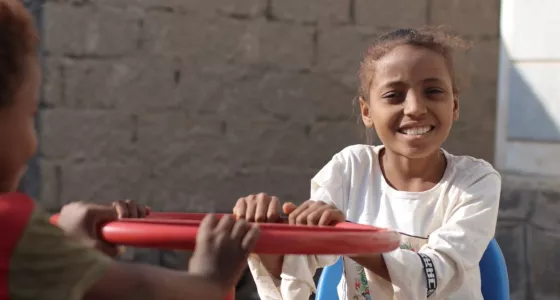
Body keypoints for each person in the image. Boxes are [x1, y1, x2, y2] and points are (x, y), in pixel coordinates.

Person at [0, 0, 259, 299]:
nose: (34, 143)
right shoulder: (11, 230)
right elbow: (145, 291)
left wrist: (69, 252)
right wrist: (214, 277)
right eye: (30, 114)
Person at [233, 27, 501, 300]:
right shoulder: (349, 169)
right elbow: (297, 269)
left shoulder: (476, 181)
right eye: (394, 95)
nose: (415, 108)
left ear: (454, 105)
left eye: (433, 91)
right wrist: (266, 237)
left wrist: (345, 238)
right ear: (367, 111)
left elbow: (432, 275)